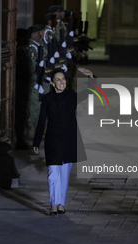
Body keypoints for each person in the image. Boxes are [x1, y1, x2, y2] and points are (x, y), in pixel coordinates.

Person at [32, 67, 94, 215]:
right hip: (52, 140)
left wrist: (91, 76)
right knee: (53, 172)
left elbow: (89, 92)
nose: (62, 82)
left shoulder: (71, 96)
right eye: (58, 79)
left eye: (63, 79)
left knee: (64, 174)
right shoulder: (47, 99)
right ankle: (53, 204)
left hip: (68, 140)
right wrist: (36, 141)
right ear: (53, 83)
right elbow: (41, 121)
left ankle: (61, 204)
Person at [27, 24, 48, 140]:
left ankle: (37, 130)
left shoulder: (38, 46)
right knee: (34, 107)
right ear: (33, 35)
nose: (41, 34)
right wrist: (36, 82)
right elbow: (33, 67)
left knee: (39, 107)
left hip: (41, 80)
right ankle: (31, 132)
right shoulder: (32, 48)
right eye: (39, 33)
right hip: (35, 82)